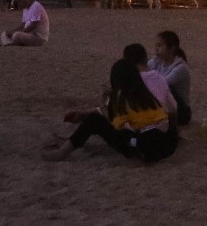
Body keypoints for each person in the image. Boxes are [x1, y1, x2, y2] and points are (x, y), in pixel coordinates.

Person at [48, 58, 178, 163]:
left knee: (94, 121)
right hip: (167, 145)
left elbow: (117, 125)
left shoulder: (122, 97)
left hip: (147, 148)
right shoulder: (145, 94)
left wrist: (104, 106)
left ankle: (62, 152)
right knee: (97, 120)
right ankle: (74, 141)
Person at [151, 30, 193, 127]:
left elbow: (161, 84)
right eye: (156, 45)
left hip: (182, 112)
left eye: (160, 46)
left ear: (172, 48)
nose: (156, 49)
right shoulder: (156, 62)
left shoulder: (180, 67)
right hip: (165, 107)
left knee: (165, 88)